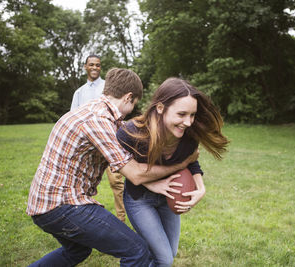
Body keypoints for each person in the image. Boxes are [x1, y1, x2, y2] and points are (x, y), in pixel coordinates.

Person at [26, 69, 199, 267]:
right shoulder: (98, 121)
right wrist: (184, 163)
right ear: (128, 97)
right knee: (137, 251)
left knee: (77, 251)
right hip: (63, 205)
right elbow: (134, 174)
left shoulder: (95, 112)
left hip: (44, 204)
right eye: (134, 104)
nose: (133, 110)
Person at [116, 77, 229, 266]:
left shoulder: (189, 136)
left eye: (192, 115)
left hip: (169, 197)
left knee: (170, 251)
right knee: (164, 259)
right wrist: (151, 183)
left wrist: (201, 188)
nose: (188, 122)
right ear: (160, 108)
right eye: (182, 114)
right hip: (139, 200)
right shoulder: (131, 133)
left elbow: (192, 161)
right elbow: (118, 166)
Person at [71, 54, 126, 223]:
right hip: (88, 147)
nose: (95, 68)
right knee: (80, 184)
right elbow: (73, 118)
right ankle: (81, 219)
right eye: (92, 65)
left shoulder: (108, 88)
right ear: (85, 67)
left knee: (117, 183)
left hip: (109, 140)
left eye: (98, 65)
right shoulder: (80, 92)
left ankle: (121, 220)